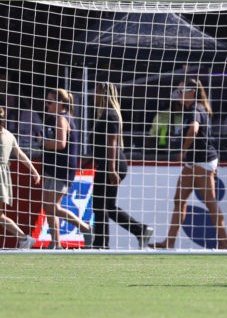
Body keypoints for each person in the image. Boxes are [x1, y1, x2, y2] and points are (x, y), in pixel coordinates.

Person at [150, 79, 227, 249]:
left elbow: (193, 129)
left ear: (192, 91)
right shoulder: (193, 109)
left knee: (210, 203)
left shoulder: (195, 109)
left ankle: (225, 244)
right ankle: (169, 242)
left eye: (181, 91)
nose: (178, 95)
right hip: (193, 162)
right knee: (179, 199)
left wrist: (183, 150)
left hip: (202, 161)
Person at [88, 82, 153, 249]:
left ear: (103, 94)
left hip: (112, 165)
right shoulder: (108, 114)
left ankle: (100, 244)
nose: (93, 95)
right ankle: (140, 230)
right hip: (113, 163)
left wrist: (111, 169)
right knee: (107, 206)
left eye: (96, 92)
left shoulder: (109, 114)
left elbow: (112, 143)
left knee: (99, 205)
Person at [39, 88, 90, 247]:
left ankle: (86, 228)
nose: (47, 105)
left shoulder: (61, 119)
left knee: (53, 206)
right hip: (55, 168)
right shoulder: (60, 118)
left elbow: (61, 144)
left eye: (50, 101)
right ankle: (55, 243)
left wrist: (43, 142)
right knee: (49, 206)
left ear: (60, 103)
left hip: (61, 169)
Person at [0, 105, 41, 249]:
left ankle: (24, 238)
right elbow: (21, 154)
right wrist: (34, 170)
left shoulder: (7, 136)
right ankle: (24, 238)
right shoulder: (9, 135)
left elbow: (20, 154)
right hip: (3, 178)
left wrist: (34, 170)